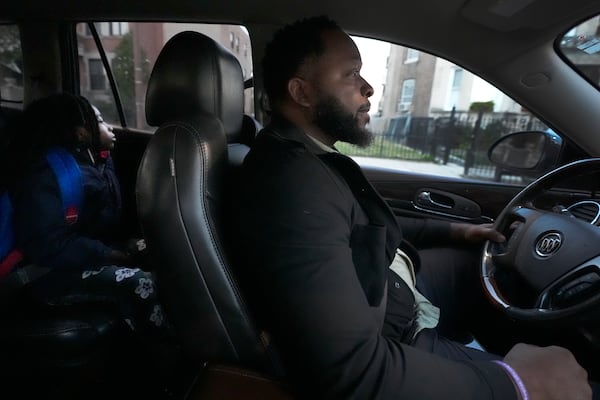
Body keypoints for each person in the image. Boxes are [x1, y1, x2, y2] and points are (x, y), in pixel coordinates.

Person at [236, 16, 593, 400]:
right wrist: (518, 384)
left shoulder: (307, 156)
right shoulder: (291, 184)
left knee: (476, 262)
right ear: (301, 93)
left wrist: (457, 231)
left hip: (392, 284)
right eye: (351, 74)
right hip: (397, 332)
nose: (368, 88)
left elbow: (365, 225)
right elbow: (353, 372)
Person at [8, 93, 178, 385]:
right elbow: (47, 246)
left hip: (81, 256)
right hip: (45, 274)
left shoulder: (97, 160)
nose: (110, 127)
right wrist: (111, 255)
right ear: (81, 132)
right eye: (100, 121)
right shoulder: (47, 177)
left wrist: (128, 248)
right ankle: (169, 365)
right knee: (141, 283)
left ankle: (141, 354)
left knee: (161, 257)